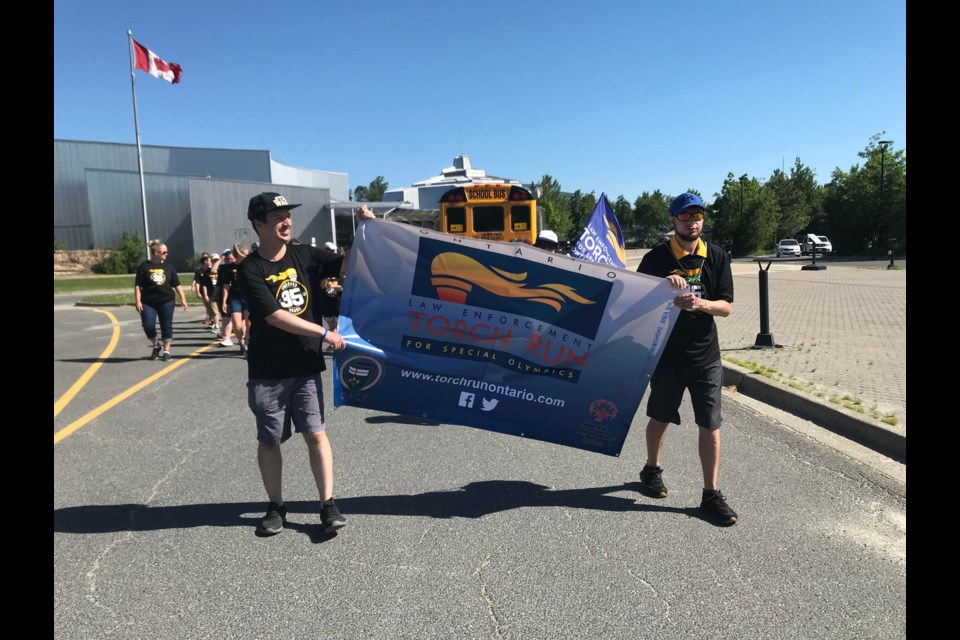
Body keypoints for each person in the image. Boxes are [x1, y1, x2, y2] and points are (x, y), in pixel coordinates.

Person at [238, 192, 376, 536]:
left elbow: (347, 265)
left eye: (287, 215)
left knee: (316, 434)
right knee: (270, 440)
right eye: (277, 217)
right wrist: (323, 333)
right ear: (259, 225)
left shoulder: (306, 255)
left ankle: (328, 504)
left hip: (305, 366)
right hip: (268, 370)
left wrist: (365, 230)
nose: (286, 221)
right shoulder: (250, 268)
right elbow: (274, 316)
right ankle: (276, 506)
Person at [635, 192, 738, 526]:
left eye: (698, 216)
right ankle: (651, 469)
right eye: (685, 216)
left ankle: (710, 494)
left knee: (710, 424)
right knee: (661, 416)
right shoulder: (655, 259)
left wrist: (701, 305)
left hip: (706, 357)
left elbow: (726, 306)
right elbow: (637, 304)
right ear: (672, 221)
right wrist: (663, 288)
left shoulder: (717, 257)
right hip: (666, 356)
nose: (693, 222)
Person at [134, 239, 189, 361]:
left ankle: (167, 350)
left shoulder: (169, 267)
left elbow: (177, 284)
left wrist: (183, 298)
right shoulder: (144, 267)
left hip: (167, 300)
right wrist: (138, 301)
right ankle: (156, 344)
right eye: (164, 252)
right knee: (148, 325)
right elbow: (138, 285)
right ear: (156, 253)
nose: (166, 254)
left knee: (166, 325)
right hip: (148, 301)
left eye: (167, 252)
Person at [222, 243, 251, 356]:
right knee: (237, 325)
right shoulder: (230, 268)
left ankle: (248, 344)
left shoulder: (249, 264)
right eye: (242, 253)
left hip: (248, 298)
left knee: (248, 324)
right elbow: (226, 286)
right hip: (235, 298)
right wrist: (224, 301)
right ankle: (242, 342)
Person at [318, 242, 344, 353]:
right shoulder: (321, 266)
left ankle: (332, 344)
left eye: (333, 251)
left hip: (337, 302)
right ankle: (332, 344)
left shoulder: (338, 267)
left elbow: (342, 286)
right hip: (327, 302)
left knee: (337, 326)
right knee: (333, 326)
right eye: (329, 251)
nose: (331, 253)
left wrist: (333, 286)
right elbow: (323, 286)